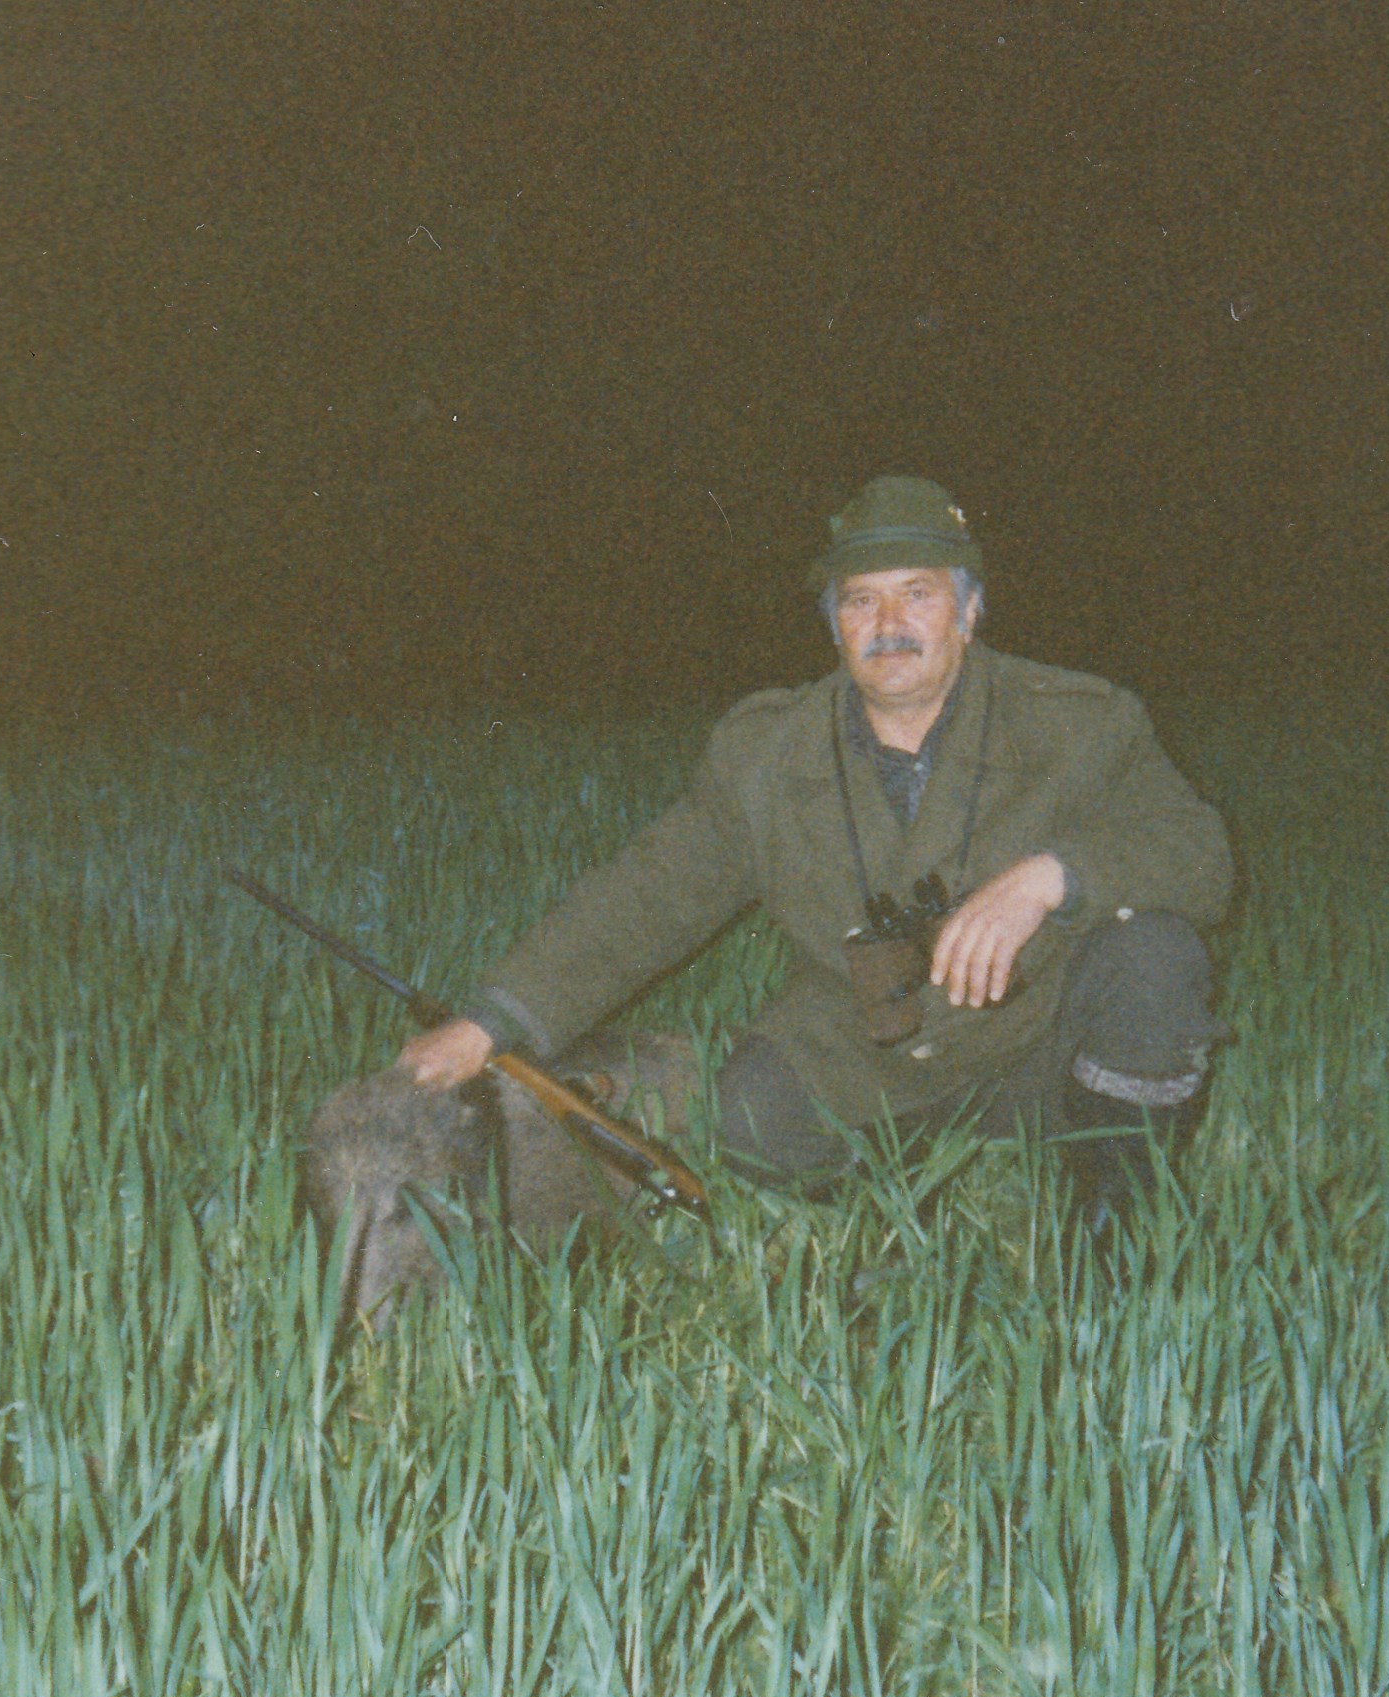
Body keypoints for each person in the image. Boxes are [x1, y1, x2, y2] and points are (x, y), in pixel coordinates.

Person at [398, 475, 1234, 1224]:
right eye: (861, 600)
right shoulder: (767, 751)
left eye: (917, 593)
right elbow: (647, 896)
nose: (889, 625)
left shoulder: (1079, 722)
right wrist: (492, 1020)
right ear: (834, 625)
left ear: (970, 610)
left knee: (1156, 956)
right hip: (865, 1058)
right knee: (747, 1124)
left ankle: (1116, 1218)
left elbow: (1199, 851)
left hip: (1043, 1048)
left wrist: (1052, 877)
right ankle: (894, 1217)